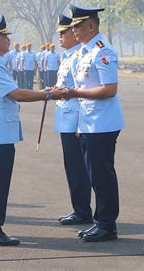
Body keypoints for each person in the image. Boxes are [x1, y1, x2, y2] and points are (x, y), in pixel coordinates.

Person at [0, 15, 66, 246]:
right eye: (5, 36)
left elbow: (16, 90)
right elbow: (17, 94)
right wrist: (49, 95)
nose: (7, 40)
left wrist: (43, 92)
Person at [66, 4, 125, 242]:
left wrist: (75, 93)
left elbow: (109, 89)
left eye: (78, 26)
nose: (74, 31)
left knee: (102, 175)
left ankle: (107, 224)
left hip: (103, 123)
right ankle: (101, 221)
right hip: (90, 122)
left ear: (91, 25)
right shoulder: (83, 52)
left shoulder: (102, 51)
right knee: (95, 175)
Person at [54, 13, 92, 226]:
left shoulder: (78, 56)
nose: (60, 36)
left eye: (64, 32)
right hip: (65, 118)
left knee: (78, 168)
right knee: (72, 166)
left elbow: (81, 91)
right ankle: (79, 208)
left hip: (75, 121)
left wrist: (80, 123)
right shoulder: (68, 56)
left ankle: (82, 211)